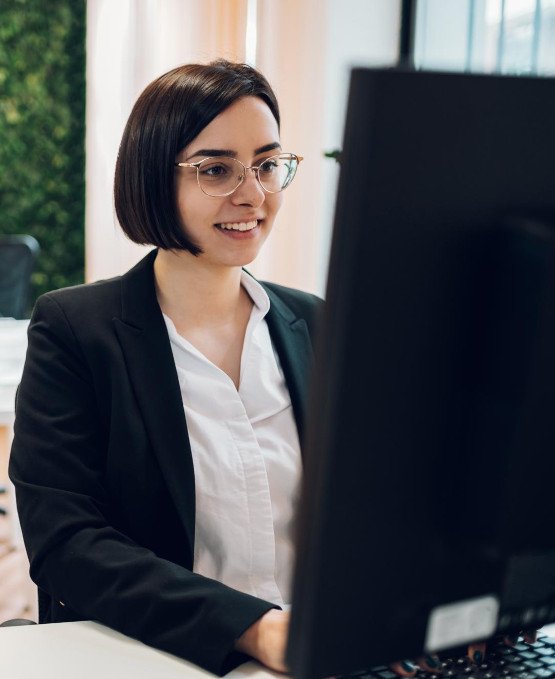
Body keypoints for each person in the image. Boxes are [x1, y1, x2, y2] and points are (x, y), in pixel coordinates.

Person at [7, 60, 534, 678]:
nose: (252, 193)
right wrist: (255, 630)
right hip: (171, 657)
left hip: (324, 660)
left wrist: (440, 599)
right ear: (153, 176)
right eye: (216, 170)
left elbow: (382, 504)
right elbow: (68, 543)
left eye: (266, 164)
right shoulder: (76, 328)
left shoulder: (313, 322)